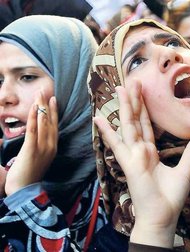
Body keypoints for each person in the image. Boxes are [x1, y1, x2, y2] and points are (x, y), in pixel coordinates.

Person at [88, 18, 190, 251]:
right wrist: (155, 228)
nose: (168, 54)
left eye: (172, 43)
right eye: (137, 61)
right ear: (118, 111)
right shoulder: (113, 245)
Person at [0, 15, 107, 251]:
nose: (4, 97)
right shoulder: (5, 165)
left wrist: (24, 195)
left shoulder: (123, 182)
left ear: (74, 81)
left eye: (27, 77)